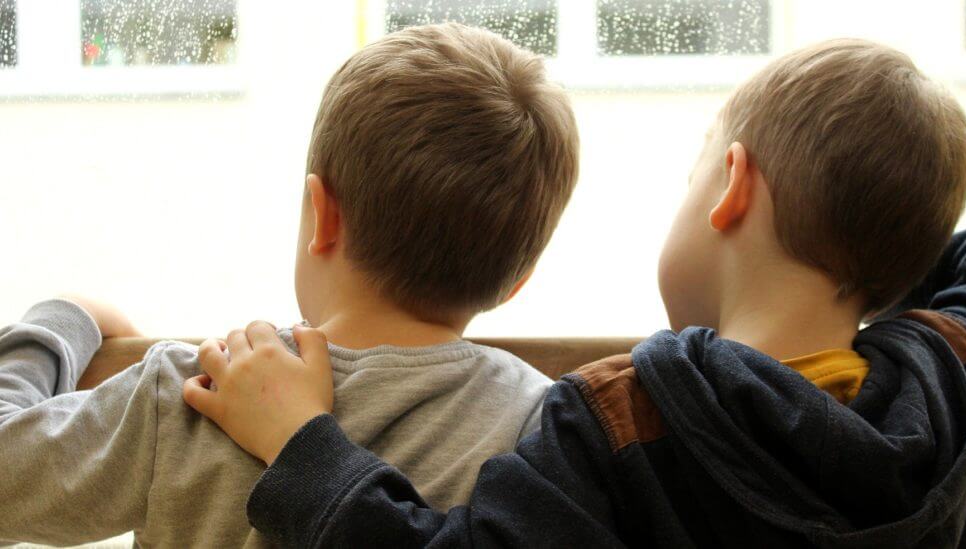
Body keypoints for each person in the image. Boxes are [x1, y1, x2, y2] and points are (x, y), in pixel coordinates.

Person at [189, 39, 966, 547]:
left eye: (694, 174)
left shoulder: (623, 425)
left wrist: (302, 443)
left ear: (732, 188)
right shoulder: (959, 389)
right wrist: (875, 240)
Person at [0, 23, 579, 547]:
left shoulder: (192, 388)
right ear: (517, 280)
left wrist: (64, 319)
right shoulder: (535, 425)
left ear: (322, 214)